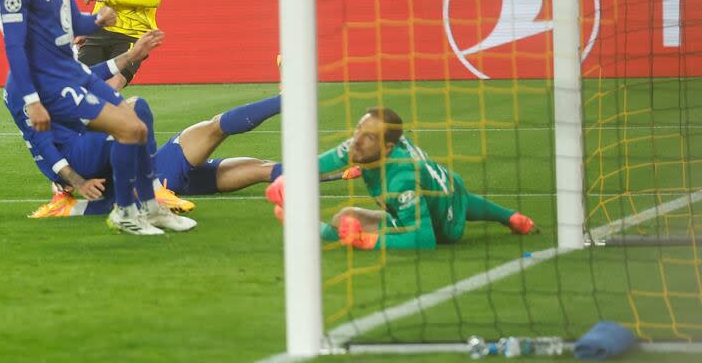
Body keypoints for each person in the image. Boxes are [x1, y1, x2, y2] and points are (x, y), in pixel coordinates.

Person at [0, 0, 191, 235]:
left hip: (72, 75)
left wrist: (99, 20)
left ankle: (149, 207)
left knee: (139, 116)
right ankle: (125, 211)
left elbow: (75, 23)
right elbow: (13, 46)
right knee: (129, 129)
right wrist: (32, 100)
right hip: (57, 92)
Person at [266, 107, 537, 250]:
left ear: (387, 148)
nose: (356, 141)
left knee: (346, 220)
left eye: (368, 137)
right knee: (457, 196)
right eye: (359, 130)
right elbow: (329, 160)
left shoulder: (402, 179)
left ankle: (304, 224)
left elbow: (425, 238)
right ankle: (511, 217)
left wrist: (368, 241)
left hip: (446, 229)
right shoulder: (371, 144)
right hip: (449, 184)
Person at [27, 92, 284, 218]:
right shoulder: (77, 146)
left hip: (159, 181)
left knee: (262, 169)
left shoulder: (64, 158)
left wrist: (71, 197)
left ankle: (312, 169)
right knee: (216, 127)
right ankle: (286, 99)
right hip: (158, 174)